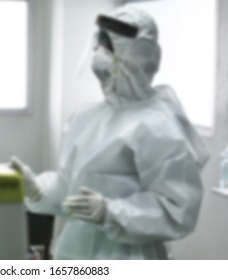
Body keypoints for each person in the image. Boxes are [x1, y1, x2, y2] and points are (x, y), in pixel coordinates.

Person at [11, 7, 209, 259]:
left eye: (109, 46)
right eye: (99, 44)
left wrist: (112, 212)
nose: (99, 55)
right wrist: (38, 189)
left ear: (136, 55)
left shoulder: (159, 125)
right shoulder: (85, 117)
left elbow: (177, 209)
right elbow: (70, 191)